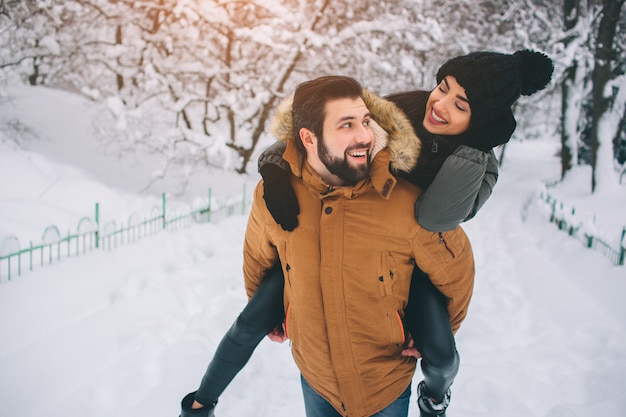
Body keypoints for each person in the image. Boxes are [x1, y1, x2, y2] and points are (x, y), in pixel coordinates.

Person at [180, 50, 554, 417]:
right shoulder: (401, 111)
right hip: (329, 235)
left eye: (462, 105)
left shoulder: (478, 166)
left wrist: (422, 330)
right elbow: (315, 132)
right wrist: (275, 168)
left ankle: (435, 399)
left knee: (442, 354)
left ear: (482, 120)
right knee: (250, 320)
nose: (440, 104)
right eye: (443, 87)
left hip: (405, 251)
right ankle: (200, 404)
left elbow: (438, 221)